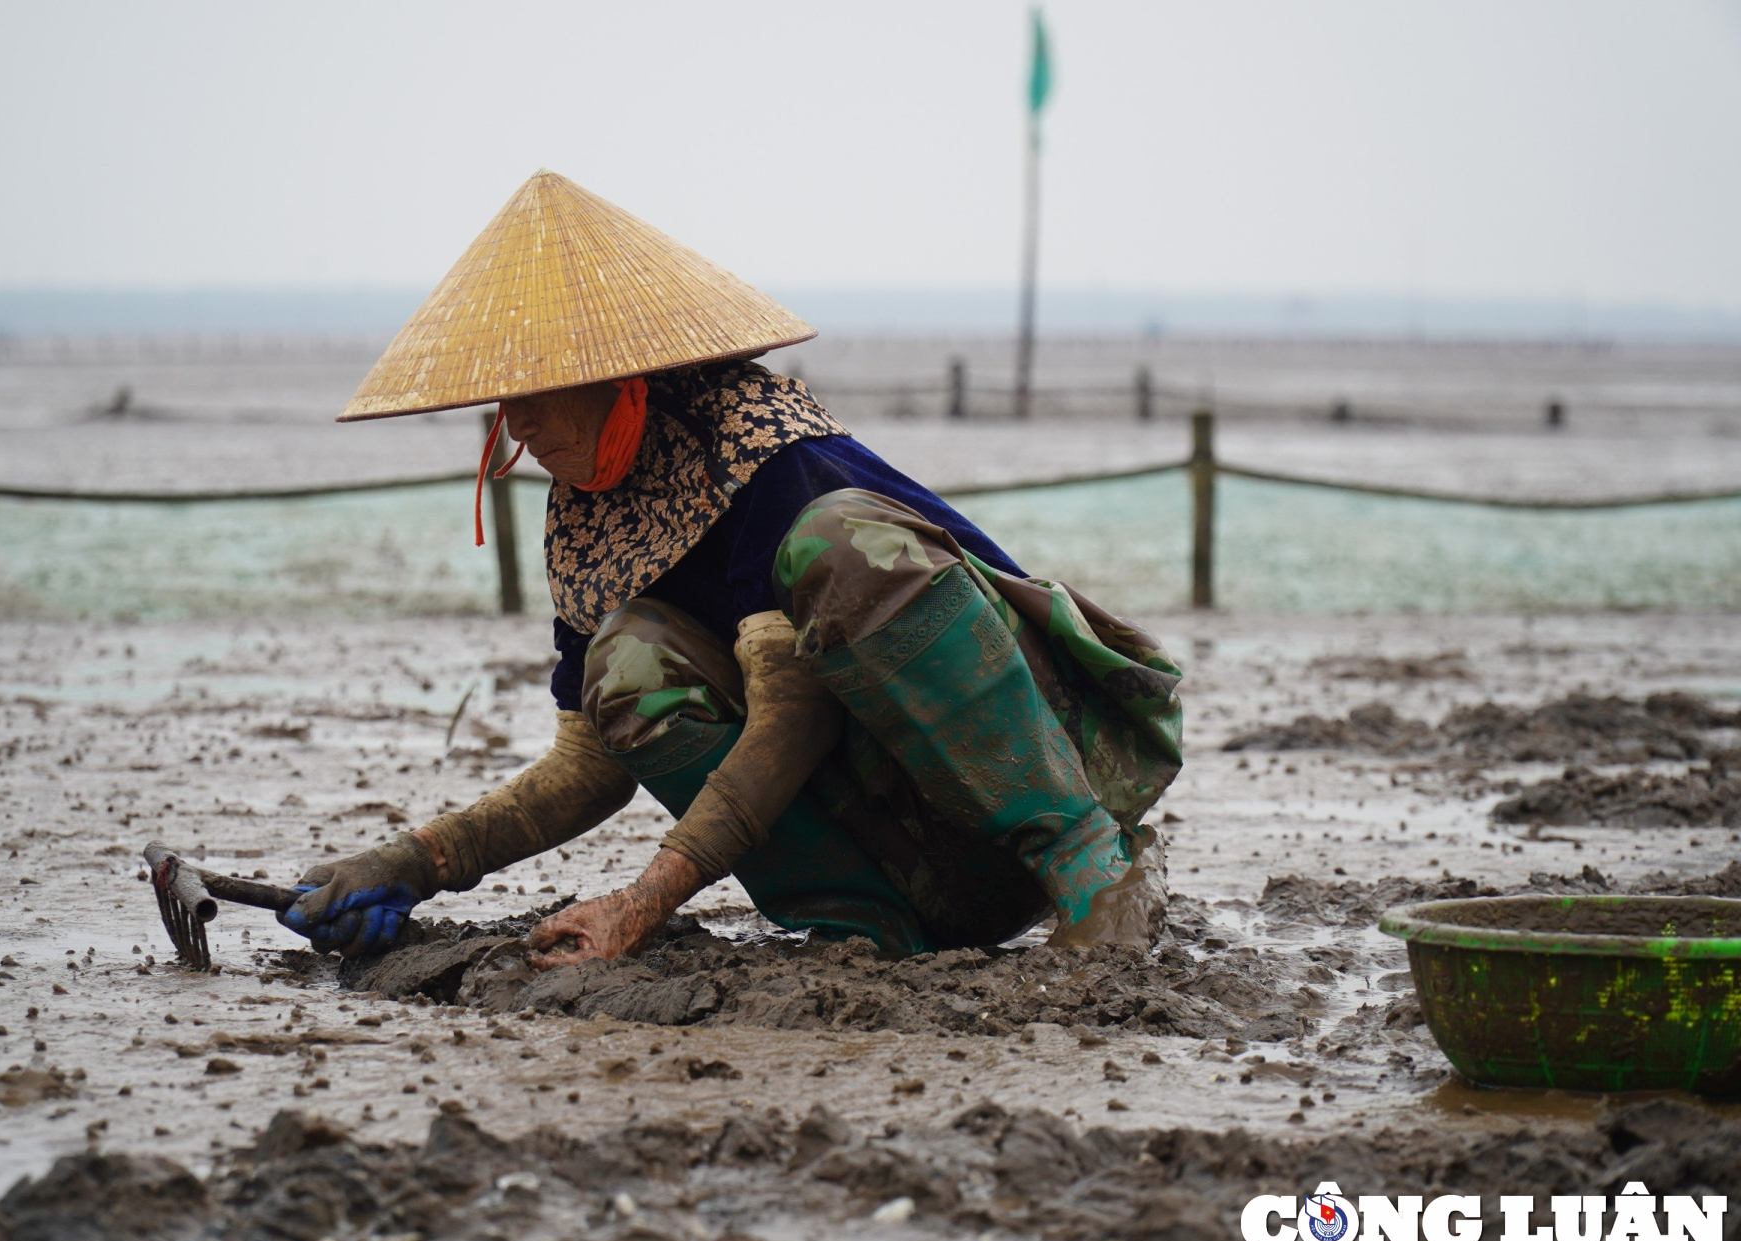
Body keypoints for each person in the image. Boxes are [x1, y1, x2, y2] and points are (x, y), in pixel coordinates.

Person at [280, 170, 1183, 967]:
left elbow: (789, 718)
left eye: (537, 394)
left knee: (836, 543)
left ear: (622, 376)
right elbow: (590, 761)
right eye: (504, 402)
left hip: (1018, 804)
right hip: (909, 860)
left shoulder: (764, 453)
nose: (517, 426)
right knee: (623, 658)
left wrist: (646, 899)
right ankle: (864, 925)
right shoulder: (593, 523)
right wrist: (417, 860)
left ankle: (1090, 868)